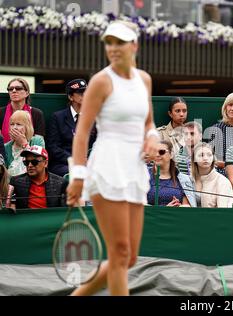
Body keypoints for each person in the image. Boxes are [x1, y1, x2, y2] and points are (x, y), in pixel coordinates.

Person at [66, 21, 160, 296]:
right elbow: (81, 134)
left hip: (135, 170)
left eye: (120, 42)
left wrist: (153, 137)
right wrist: (78, 177)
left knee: (128, 257)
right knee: (119, 253)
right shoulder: (101, 82)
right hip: (107, 168)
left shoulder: (144, 80)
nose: (114, 48)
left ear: (135, 45)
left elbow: (149, 122)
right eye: (109, 42)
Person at [47, 79, 97, 177]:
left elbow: (98, 143)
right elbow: (53, 146)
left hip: (89, 162)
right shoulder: (58, 117)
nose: (84, 95)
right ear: (70, 97)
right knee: (76, 174)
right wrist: (74, 159)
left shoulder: (93, 118)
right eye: (80, 93)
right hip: (63, 163)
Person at [9, 145, 67, 210]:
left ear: (45, 163)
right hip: (26, 219)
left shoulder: (61, 183)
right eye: (27, 162)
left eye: (34, 162)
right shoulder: (16, 182)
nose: (30, 165)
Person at [204, 92, 233, 174]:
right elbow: (207, 157)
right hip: (220, 174)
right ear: (225, 107)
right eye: (230, 105)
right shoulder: (215, 129)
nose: (232, 108)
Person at [147, 140, 195, 207]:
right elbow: (138, 205)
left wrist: (179, 207)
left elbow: (187, 207)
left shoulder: (183, 179)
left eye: (161, 152)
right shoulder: (145, 176)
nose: (157, 155)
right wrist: (166, 209)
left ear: (171, 154)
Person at [1, 78, 45, 143]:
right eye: (10, 89)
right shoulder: (1, 112)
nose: (14, 91)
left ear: (27, 93)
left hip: (29, 152)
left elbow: (39, 143)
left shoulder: (37, 114)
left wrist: (23, 143)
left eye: (18, 88)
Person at [191, 142, 233, 208]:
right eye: (201, 155)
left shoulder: (222, 181)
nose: (205, 158)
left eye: (209, 155)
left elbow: (223, 210)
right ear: (194, 158)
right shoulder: (189, 180)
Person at [4, 110, 45, 177]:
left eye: (18, 124)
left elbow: (38, 165)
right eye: (12, 124)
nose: (14, 127)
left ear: (27, 127)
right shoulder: (6, 147)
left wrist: (24, 144)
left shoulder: (37, 140)